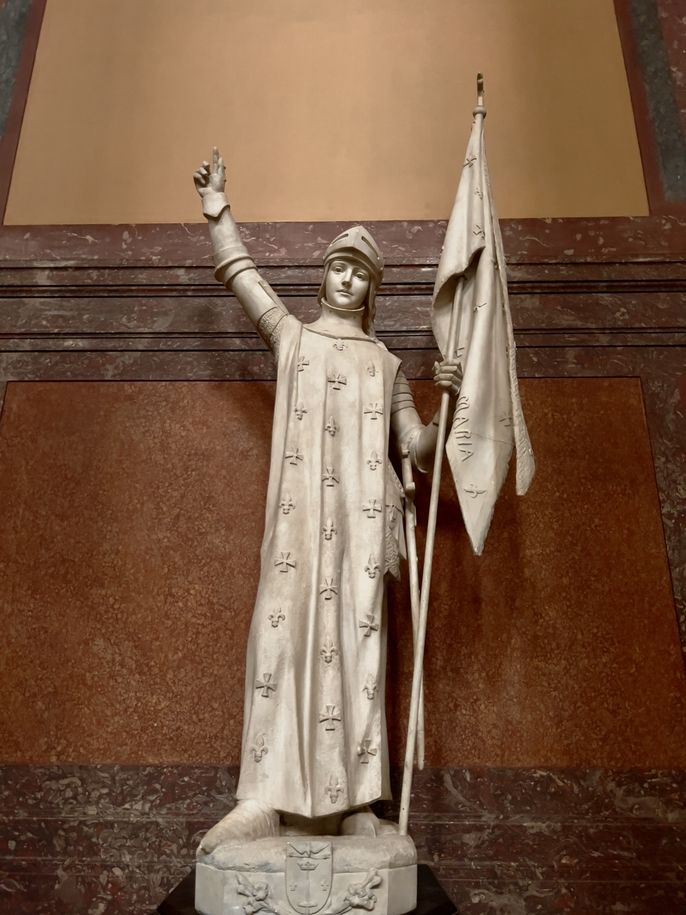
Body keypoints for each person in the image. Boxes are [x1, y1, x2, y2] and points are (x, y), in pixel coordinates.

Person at [193, 149, 461, 853]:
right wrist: (219, 213)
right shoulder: (295, 339)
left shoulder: (387, 365)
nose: (347, 278)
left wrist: (449, 408)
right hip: (296, 531)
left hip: (360, 539)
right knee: (279, 639)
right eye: (340, 266)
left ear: (372, 289)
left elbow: (420, 449)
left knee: (356, 650)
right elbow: (242, 280)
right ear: (324, 275)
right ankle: (262, 797)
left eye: (361, 273)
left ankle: (356, 805)